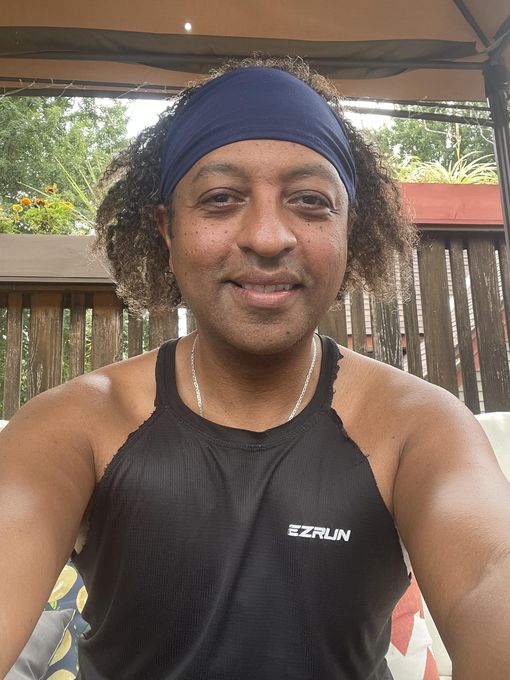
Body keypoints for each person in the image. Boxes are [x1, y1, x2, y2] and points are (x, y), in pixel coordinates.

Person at [1, 56, 510, 680]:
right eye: (220, 199)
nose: (268, 237)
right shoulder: (74, 426)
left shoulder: (418, 427)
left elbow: (490, 572)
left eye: (310, 201)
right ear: (167, 228)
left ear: (349, 227)